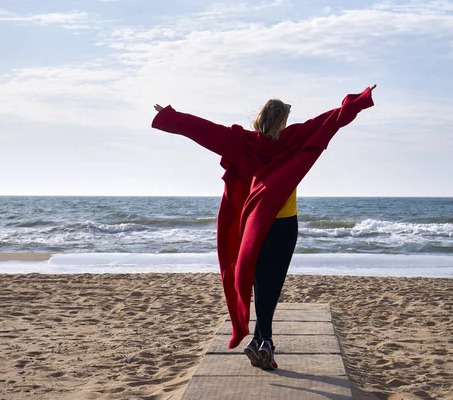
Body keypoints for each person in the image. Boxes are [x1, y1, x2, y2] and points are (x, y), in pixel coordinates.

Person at [152, 85, 375, 370]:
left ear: (261, 118)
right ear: (283, 121)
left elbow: (206, 131)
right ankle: (266, 341)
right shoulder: (295, 137)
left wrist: (173, 117)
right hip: (283, 224)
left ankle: (258, 340)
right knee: (272, 284)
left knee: (261, 283)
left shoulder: (243, 141)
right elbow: (334, 118)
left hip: (254, 225)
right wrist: (360, 99)